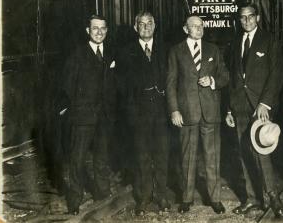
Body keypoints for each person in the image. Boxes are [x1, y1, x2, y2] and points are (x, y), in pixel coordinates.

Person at [226, 3, 283, 218]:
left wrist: (265, 104)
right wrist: (229, 109)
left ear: (258, 17)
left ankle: (273, 197)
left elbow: (276, 74)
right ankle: (252, 199)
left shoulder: (270, 40)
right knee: (244, 152)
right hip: (239, 105)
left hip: (261, 106)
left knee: (262, 151)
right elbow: (233, 78)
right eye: (242, 17)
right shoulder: (235, 42)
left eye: (250, 16)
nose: (247, 21)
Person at [166, 16, 229, 214]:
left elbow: (225, 76)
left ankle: (215, 198)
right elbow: (170, 83)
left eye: (201, 25)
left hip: (210, 112)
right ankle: (186, 198)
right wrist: (174, 110)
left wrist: (212, 80)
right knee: (187, 157)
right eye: (194, 26)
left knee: (213, 157)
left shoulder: (213, 49)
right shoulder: (176, 51)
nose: (199, 29)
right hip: (186, 113)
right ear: (186, 28)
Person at [62, 15, 117, 215]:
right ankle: (75, 200)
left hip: (104, 117)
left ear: (107, 30)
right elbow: (68, 87)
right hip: (83, 117)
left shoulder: (111, 54)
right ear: (88, 31)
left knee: (102, 157)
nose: (99, 32)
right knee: (78, 159)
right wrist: (80, 107)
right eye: (95, 28)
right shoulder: (76, 55)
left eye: (103, 28)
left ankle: (103, 193)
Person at [118, 11, 170, 215]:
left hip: (162, 114)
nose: (146, 27)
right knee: (141, 156)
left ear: (155, 26)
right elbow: (122, 86)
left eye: (149, 23)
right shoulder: (126, 52)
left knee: (163, 155)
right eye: (142, 24)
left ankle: (162, 195)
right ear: (135, 27)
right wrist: (131, 112)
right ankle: (144, 197)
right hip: (138, 115)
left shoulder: (165, 50)